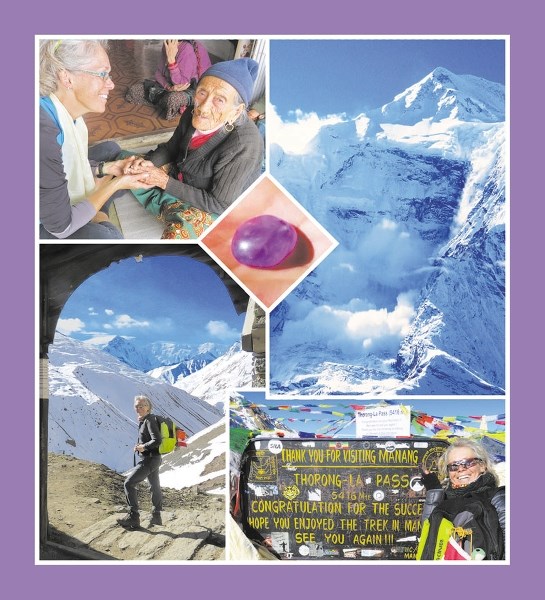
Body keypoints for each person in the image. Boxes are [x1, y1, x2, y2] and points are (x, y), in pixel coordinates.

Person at [124, 57, 264, 239]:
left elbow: (220, 204)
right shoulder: (192, 112)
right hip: (182, 177)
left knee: (179, 235)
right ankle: (164, 196)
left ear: (236, 111)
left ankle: (165, 199)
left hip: (215, 204)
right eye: (202, 93)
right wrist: (147, 164)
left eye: (219, 100)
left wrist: (165, 182)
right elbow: (171, 148)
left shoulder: (243, 145)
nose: (203, 108)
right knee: (128, 165)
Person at [39, 39, 152, 239]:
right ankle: (98, 210)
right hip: (46, 221)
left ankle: (95, 202)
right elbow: (60, 227)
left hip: (49, 186)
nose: (111, 84)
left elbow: (67, 163)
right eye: (102, 74)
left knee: (111, 150)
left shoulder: (63, 111)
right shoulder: (42, 133)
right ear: (67, 78)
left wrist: (106, 169)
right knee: (111, 238)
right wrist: (115, 184)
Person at [420, 438, 505, 559]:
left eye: (468, 462)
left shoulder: (497, 497)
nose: (460, 469)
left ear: (482, 466)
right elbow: (431, 536)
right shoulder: (445, 502)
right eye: (454, 466)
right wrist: (434, 490)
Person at [125, 39, 212, 120]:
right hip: (169, 86)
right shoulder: (166, 44)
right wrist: (168, 87)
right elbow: (158, 74)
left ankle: (168, 102)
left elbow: (182, 83)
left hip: (190, 89)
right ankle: (165, 102)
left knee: (173, 99)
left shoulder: (186, 49)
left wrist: (171, 60)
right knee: (134, 90)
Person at [117, 395, 163, 530]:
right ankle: (156, 516)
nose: (138, 408)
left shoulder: (149, 421)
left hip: (149, 459)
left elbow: (157, 440)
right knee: (154, 485)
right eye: (136, 406)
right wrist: (140, 445)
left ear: (148, 407)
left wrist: (144, 447)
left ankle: (134, 517)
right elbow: (151, 439)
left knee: (129, 483)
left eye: (141, 406)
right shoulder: (146, 420)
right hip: (155, 458)